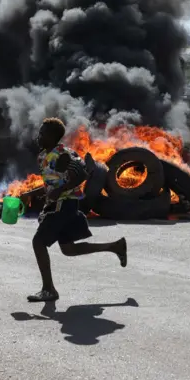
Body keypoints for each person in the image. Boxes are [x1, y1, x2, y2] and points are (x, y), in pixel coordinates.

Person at [27, 117, 127, 302]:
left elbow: (81, 173)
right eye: (39, 133)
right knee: (68, 249)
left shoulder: (63, 154)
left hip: (64, 205)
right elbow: (51, 183)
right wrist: (30, 193)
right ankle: (115, 246)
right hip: (60, 205)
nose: (38, 137)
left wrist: (60, 190)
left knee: (38, 243)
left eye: (43, 134)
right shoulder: (44, 156)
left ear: (53, 137)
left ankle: (48, 290)